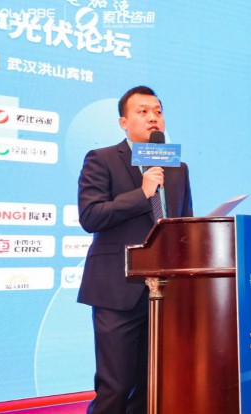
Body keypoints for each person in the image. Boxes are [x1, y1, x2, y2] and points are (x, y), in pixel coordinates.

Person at [77, 85, 193, 413]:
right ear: (123, 122)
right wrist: (142, 194)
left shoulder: (179, 168)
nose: (153, 118)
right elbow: (90, 216)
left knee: (151, 385)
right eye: (143, 112)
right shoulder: (101, 159)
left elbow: (184, 222)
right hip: (118, 289)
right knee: (116, 386)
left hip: (165, 292)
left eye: (158, 111)